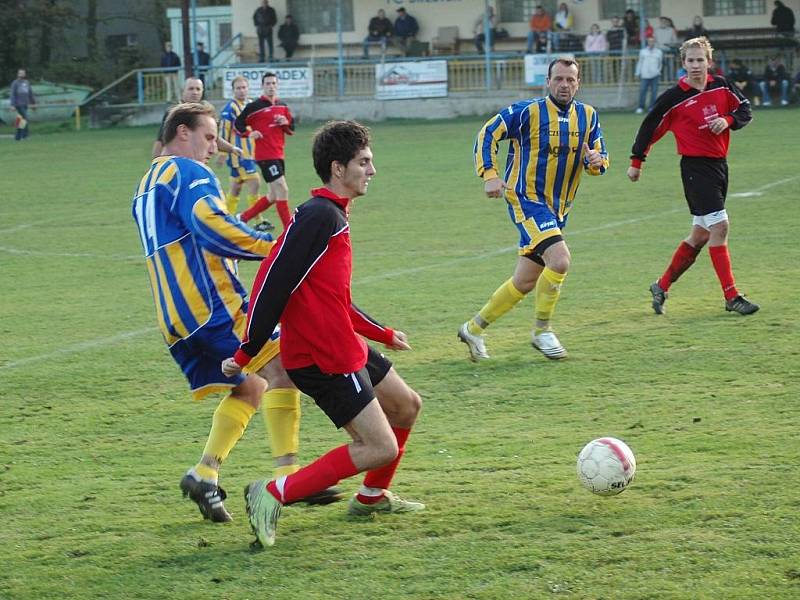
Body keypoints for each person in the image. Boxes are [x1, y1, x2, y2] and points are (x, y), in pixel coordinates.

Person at [132, 102, 341, 524]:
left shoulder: (146, 182)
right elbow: (210, 225)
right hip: (211, 306)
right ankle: (289, 477)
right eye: (209, 137)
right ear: (182, 132)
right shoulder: (187, 171)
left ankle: (204, 474)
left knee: (250, 387)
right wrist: (274, 248)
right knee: (283, 365)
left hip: (174, 319)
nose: (214, 147)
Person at [223, 120, 424, 548]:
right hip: (323, 356)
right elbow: (271, 282)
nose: (372, 170)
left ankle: (371, 497)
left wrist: (383, 334)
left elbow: (335, 300)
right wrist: (247, 353)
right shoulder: (318, 217)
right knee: (378, 446)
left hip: (344, 343)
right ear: (338, 168)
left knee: (406, 405)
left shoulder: (331, 215)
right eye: (364, 162)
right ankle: (271, 494)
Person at [458, 59, 608, 362]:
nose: (564, 85)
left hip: (558, 207)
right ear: (548, 82)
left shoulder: (588, 116)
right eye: (558, 79)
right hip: (526, 198)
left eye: (570, 80)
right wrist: (489, 174)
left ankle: (473, 329)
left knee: (525, 280)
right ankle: (542, 330)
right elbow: (487, 134)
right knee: (561, 259)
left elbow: (600, 156)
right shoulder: (527, 112)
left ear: (578, 83)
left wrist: (596, 162)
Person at [627, 37, 759, 317]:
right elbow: (651, 126)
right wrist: (637, 161)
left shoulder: (722, 85)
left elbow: (745, 109)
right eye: (691, 60)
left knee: (700, 235)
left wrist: (728, 120)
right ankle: (731, 296)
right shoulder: (674, 98)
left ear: (709, 62)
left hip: (719, 166)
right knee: (720, 227)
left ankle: (661, 286)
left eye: (701, 60)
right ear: (683, 64)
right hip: (695, 169)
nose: (696, 65)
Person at [234, 72, 294, 231]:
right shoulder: (254, 107)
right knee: (283, 188)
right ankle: (289, 229)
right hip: (265, 156)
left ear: (277, 85)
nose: (271, 86)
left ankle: (242, 218)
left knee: (273, 195)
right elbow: (237, 124)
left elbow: (291, 129)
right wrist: (249, 133)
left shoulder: (283, 106)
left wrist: (285, 122)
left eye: (274, 83)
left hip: (279, 154)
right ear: (262, 86)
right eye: (268, 84)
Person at [217, 76, 273, 232]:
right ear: (233, 90)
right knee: (255, 182)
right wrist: (222, 152)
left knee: (236, 188)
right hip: (239, 155)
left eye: (244, 87)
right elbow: (224, 132)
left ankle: (224, 219)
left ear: (248, 89)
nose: (241, 90)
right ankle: (258, 220)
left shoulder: (251, 105)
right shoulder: (230, 110)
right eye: (238, 88)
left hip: (251, 153)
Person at [152, 77, 244, 159]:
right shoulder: (174, 112)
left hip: (197, 163)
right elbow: (161, 141)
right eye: (191, 89)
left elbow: (213, 138)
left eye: (198, 89)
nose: (195, 92)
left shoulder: (205, 112)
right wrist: (156, 164)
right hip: (178, 163)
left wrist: (232, 148)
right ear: (183, 91)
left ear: (202, 91)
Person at [635, 36, 663, 113]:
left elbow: (660, 63)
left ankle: (652, 107)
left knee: (654, 92)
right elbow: (640, 63)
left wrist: (658, 71)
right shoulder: (643, 51)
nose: (651, 43)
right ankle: (640, 107)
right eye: (649, 41)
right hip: (644, 75)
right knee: (642, 91)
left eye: (652, 41)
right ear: (647, 42)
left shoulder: (659, 52)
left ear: (654, 42)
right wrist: (637, 73)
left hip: (655, 75)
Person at [10, 68, 35, 141]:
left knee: (20, 120)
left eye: (23, 73)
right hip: (18, 104)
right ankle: (25, 136)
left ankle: (17, 137)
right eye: (20, 73)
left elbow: (30, 93)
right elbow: (12, 94)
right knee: (25, 119)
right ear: (18, 74)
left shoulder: (27, 82)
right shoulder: (15, 83)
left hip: (25, 104)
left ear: (25, 74)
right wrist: (12, 105)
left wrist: (33, 103)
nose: (22, 74)